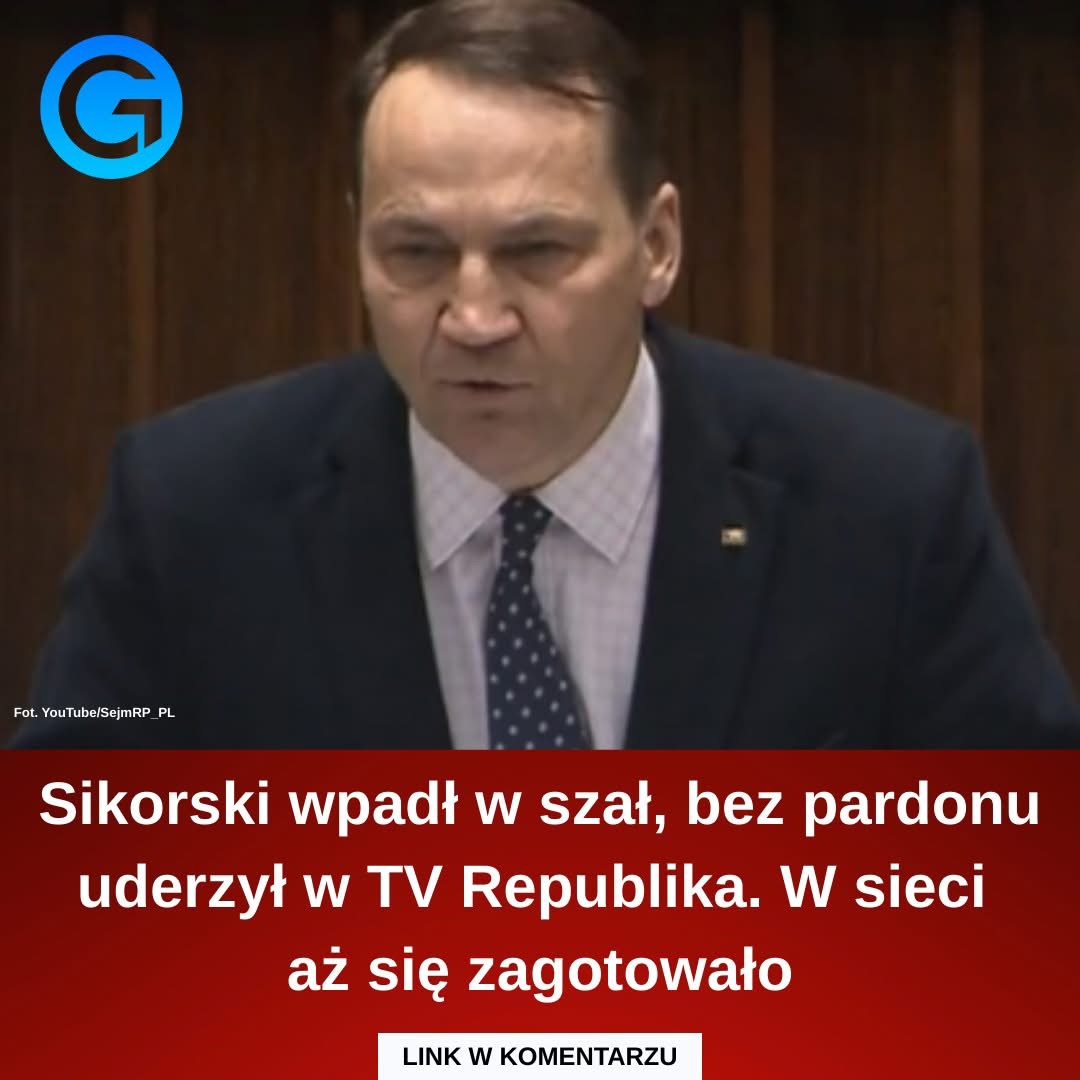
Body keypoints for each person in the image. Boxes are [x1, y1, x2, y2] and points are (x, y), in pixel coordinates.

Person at [12, 0, 1079, 749]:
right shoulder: (191, 514)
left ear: (656, 245)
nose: (474, 318)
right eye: (417, 253)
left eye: (538, 252)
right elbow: (69, 897)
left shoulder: (888, 509)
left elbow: (1019, 906)